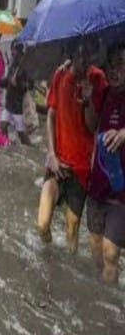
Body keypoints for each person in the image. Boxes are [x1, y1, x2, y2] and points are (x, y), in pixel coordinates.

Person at [37, 39, 105, 250]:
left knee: (71, 231)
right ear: (71, 53)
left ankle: (65, 270)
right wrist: (52, 155)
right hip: (57, 162)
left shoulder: (97, 79)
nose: (84, 60)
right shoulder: (60, 75)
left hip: (81, 169)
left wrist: (88, 101)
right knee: (42, 224)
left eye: (88, 55)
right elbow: (50, 116)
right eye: (80, 55)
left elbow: (93, 127)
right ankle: (47, 260)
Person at [85, 43, 125, 285]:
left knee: (111, 251)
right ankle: (101, 302)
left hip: (120, 192)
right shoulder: (105, 93)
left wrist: (123, 134)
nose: (114, 69)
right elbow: (91, 127)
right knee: (96, 250)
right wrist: (88, 101)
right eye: (111, 64)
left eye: (121, 63)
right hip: (97, 186)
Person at [0, 43, 33, 145]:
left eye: (13, 50)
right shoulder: (12, 64)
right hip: (9, 104)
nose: (12, 52)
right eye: (11, 50)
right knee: (3, 125)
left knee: (21, 134)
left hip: (18, 107)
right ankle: (7, 147)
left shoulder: (26, 66)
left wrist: (18, 84)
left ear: (19, 51)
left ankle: (31, 147)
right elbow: (7, 82)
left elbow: (30, 85)